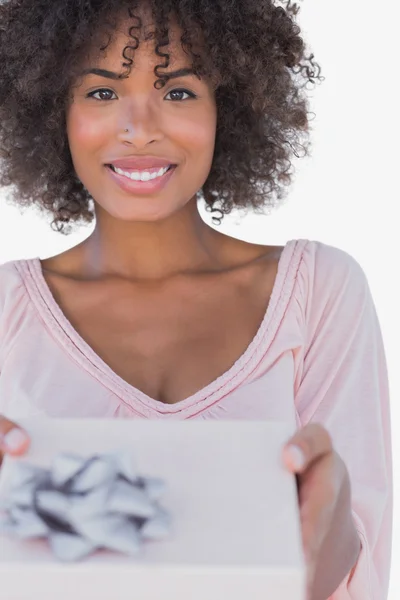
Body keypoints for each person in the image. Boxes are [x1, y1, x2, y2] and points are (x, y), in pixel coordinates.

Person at [0, 0, 392, 599]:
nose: (139, 127)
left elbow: (359, 574)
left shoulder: (318, 291)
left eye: (179, 92)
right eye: (101, 94)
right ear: (55, 112)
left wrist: (325, 508)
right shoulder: (7, 307)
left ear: (226, 112)